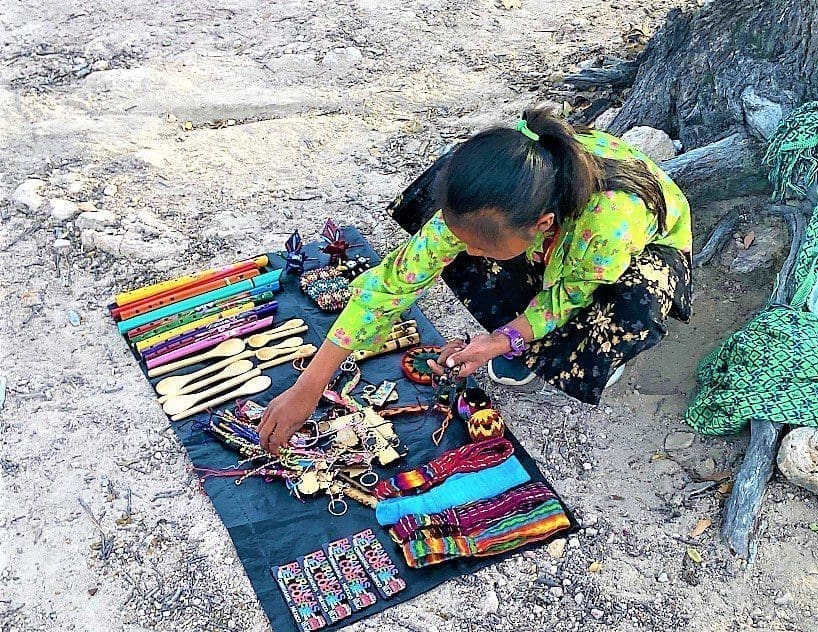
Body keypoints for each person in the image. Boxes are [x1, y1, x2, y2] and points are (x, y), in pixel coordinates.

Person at [258, 105, 693, 453]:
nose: (468, 253)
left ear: (543, 225)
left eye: (481, 244)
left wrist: (503, 340)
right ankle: (522, 333)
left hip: (636, 251)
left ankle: (569, 351)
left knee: (627, 303)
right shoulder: (498, 194)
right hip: (546, 231)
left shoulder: (607, 229)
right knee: (466, 247)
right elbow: (392, 283)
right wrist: (309, 385)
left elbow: (569, 295)